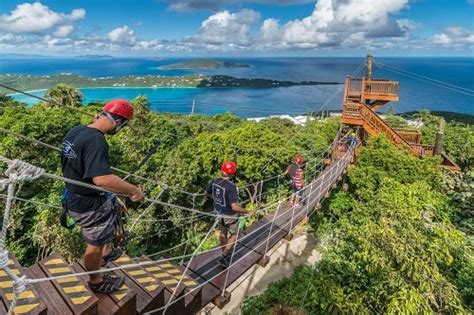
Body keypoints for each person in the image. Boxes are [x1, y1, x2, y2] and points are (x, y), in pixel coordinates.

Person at [61, 99, 145, 294]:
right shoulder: (97, 141)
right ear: (119, 122)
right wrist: (134, 190)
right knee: (95, 241)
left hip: (74, 195)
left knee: (109, 215)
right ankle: (96, 281)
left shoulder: (76, 131)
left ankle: (107, 252)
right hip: (89, 203)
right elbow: (102, 179)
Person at [205, 161, 254, 268]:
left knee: (223, 232)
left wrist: (216, 199)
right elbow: (234, 207)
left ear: (222, 170)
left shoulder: (214, 181)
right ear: (232, 173)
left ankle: (224, 254)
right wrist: (248, 211)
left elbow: (206, 193)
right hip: (230, 215)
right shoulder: (231, 186)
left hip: (218, 212)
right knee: (235, 234)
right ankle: (224, 255)